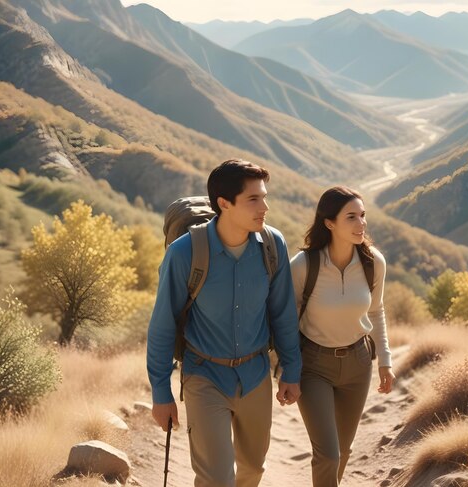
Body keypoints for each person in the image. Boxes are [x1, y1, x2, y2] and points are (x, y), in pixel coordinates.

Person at [147, 159, 302, 487]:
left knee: (252, 471)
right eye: (254, 199)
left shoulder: (273, 246)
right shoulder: (184, 253)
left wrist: (291, 368)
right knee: (216, 479)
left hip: (256, 375)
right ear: (224, 203)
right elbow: (162, 325)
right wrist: (161, 392)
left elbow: (283, 312)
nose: (265, 206)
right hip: (204, 377)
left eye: (264, 196)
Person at [290, 186, 395, 487]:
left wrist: (385, 361)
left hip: (358, 362)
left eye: (363, 216)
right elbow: (286, 320)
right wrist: (288, 366)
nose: (361, 224)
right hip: (313, 365)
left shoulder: (373, 262)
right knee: (328, 455)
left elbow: (376, 311)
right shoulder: (304, 266)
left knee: (343, 450)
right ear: (329, 223)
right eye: (351, 217)